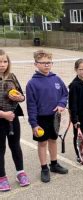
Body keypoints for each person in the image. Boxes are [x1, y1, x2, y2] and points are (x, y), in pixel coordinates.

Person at [26, 50, 69, 183]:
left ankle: (54, 164)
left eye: (49, 62)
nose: (46, 65)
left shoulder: (56, 79)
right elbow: (31, 106)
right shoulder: (31, 84)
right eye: (43, 63)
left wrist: (62, 104)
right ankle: (44, 168)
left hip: (55, 117)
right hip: (41, 119)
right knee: (42, 142)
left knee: (53, 140)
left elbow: (65, 94)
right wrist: (34, 124)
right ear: (36, 64)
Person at [0, 49, 30, 191]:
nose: (2, 64)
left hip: (13, 118)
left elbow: (21, 95)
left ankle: (20, 173)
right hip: (1, 118)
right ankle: (2, 177)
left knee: (15, 146)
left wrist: (20, 98)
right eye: (0, 61)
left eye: (5, 61)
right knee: (0, 149)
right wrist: (3, 114)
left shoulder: (12, 76)